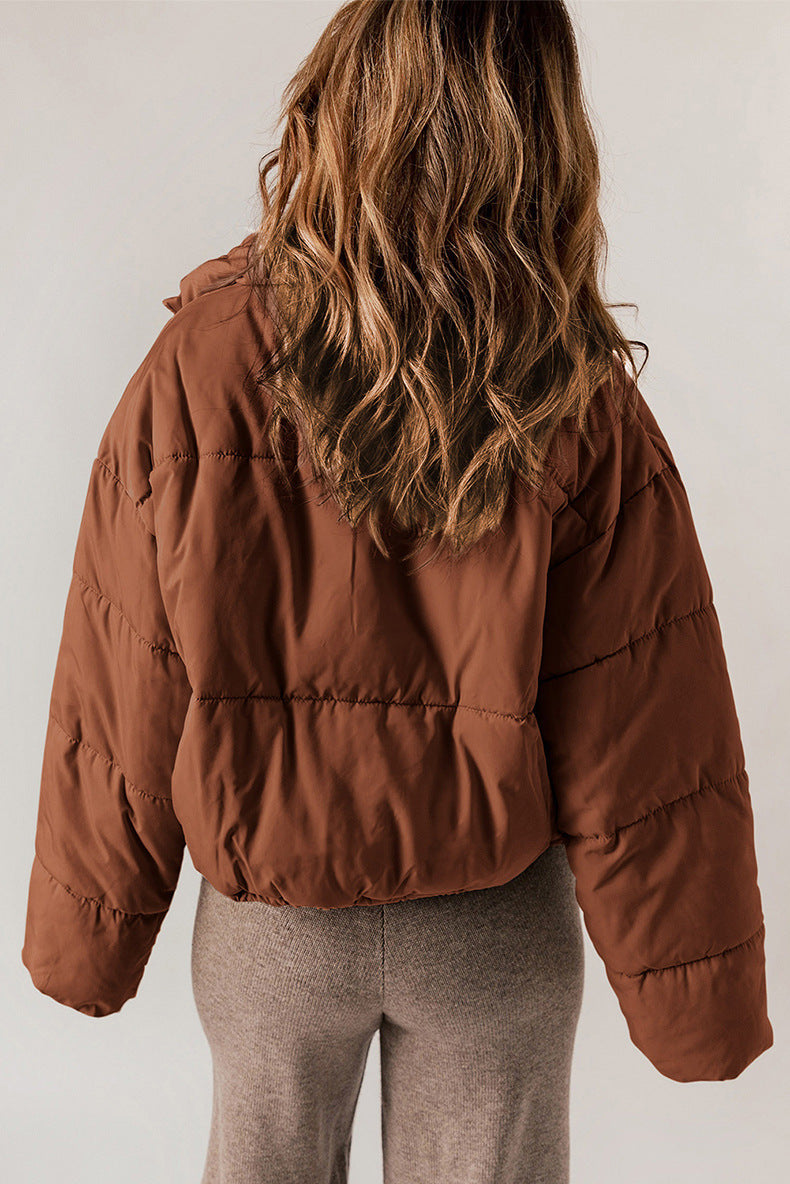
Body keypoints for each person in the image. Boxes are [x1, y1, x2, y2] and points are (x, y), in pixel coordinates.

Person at [21, 2, 773, 1182]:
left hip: (273, 931)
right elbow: (646, 714)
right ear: (541, 130)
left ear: (342, 97)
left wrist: (90, 935)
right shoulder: (575, 390)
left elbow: (123, 672)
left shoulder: (202, 360)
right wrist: (698, 1002)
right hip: (492, 928)